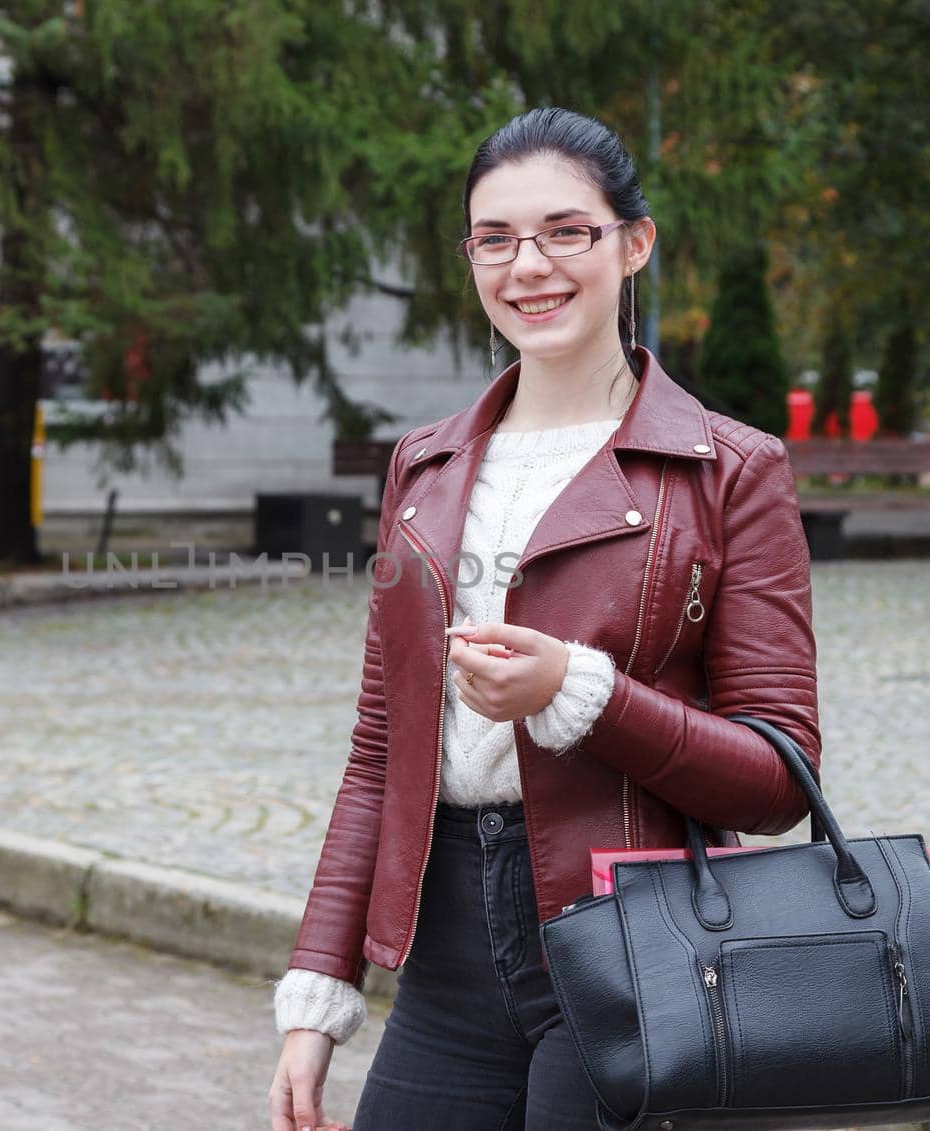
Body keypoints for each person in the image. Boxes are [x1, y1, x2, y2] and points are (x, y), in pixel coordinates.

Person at [266, 106, 821, 1131]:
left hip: (635, 947)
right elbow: (381, 748)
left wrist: (580, 693)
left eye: (567, 231)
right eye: (495, 238)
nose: (528, 266)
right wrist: (318, 986)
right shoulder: (424, 466)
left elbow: (779, 775)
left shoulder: (730, 469)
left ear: (633, 243)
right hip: (445, 955)